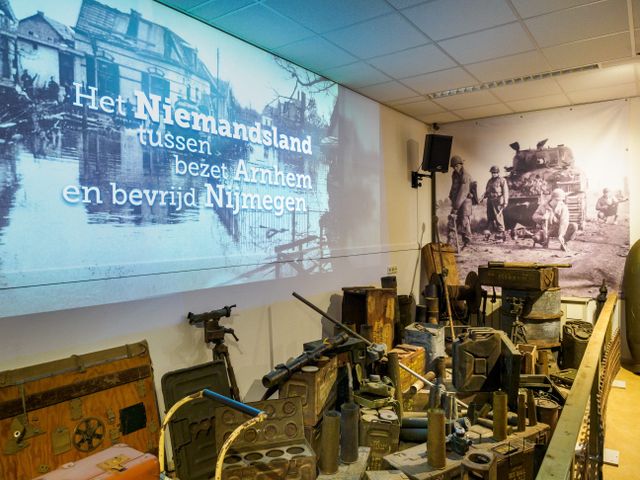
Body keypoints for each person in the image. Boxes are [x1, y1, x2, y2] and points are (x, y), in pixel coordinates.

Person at [448, 155, 473, 248]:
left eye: (456, 166)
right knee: (452, 220)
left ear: (461, 165)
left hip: (465, 202)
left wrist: (455, 207)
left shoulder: (465, 176)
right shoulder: (454, 174)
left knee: (464, 222)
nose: (455, 168)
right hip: (457, 202)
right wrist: (451, 196)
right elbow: (453, 188)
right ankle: (450, 242)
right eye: (453, 167)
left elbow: (463, 193)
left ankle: (467, 243)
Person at [481, 165, 509, 241]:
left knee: (498, 217)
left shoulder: (502, 180)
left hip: (497, 201)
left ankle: (501, 235)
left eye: (495, 172)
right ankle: (488, 234)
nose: (493, 174)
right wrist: (482, 197)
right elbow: (487, 191)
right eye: (492, 172)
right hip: (490, 201)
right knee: (490, 217)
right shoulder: (490, 181)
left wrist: (505, 202)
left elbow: (505, 192)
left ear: (498, 173)